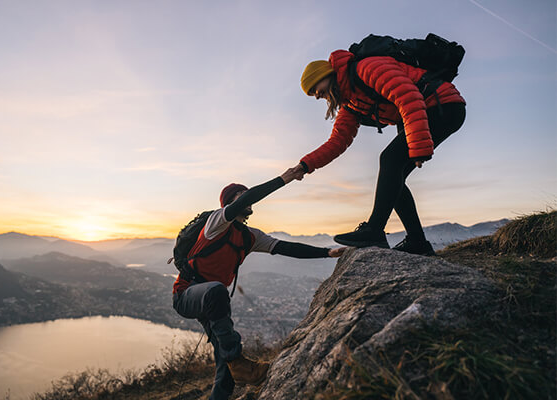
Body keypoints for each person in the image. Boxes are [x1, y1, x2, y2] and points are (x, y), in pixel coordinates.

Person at [172, 168, 345, 400]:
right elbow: (249, 198)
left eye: (247, 194)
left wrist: (328, 252)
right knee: (217, 292)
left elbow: (285, 247)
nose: (246, 197)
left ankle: (224, 385)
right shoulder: (216, 223)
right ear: (228, 204)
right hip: (187, 294)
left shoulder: (249, 237)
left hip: (212, 300)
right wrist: (285, 178)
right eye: (240, 195)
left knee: (225, 363)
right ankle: (238, 361)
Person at [291, 48, 466, 255]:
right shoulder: (350, 103)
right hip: (422, 113)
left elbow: (407, 96)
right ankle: (417, 242)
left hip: (442, 104)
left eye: (315, 88)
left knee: (390, 160)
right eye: (313, 95)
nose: (318, 96)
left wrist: (419, 146)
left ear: (325, 75)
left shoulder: (367, 68)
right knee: (393, 178)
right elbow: (338, 141)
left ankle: (374, 229)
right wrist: (305, 165)